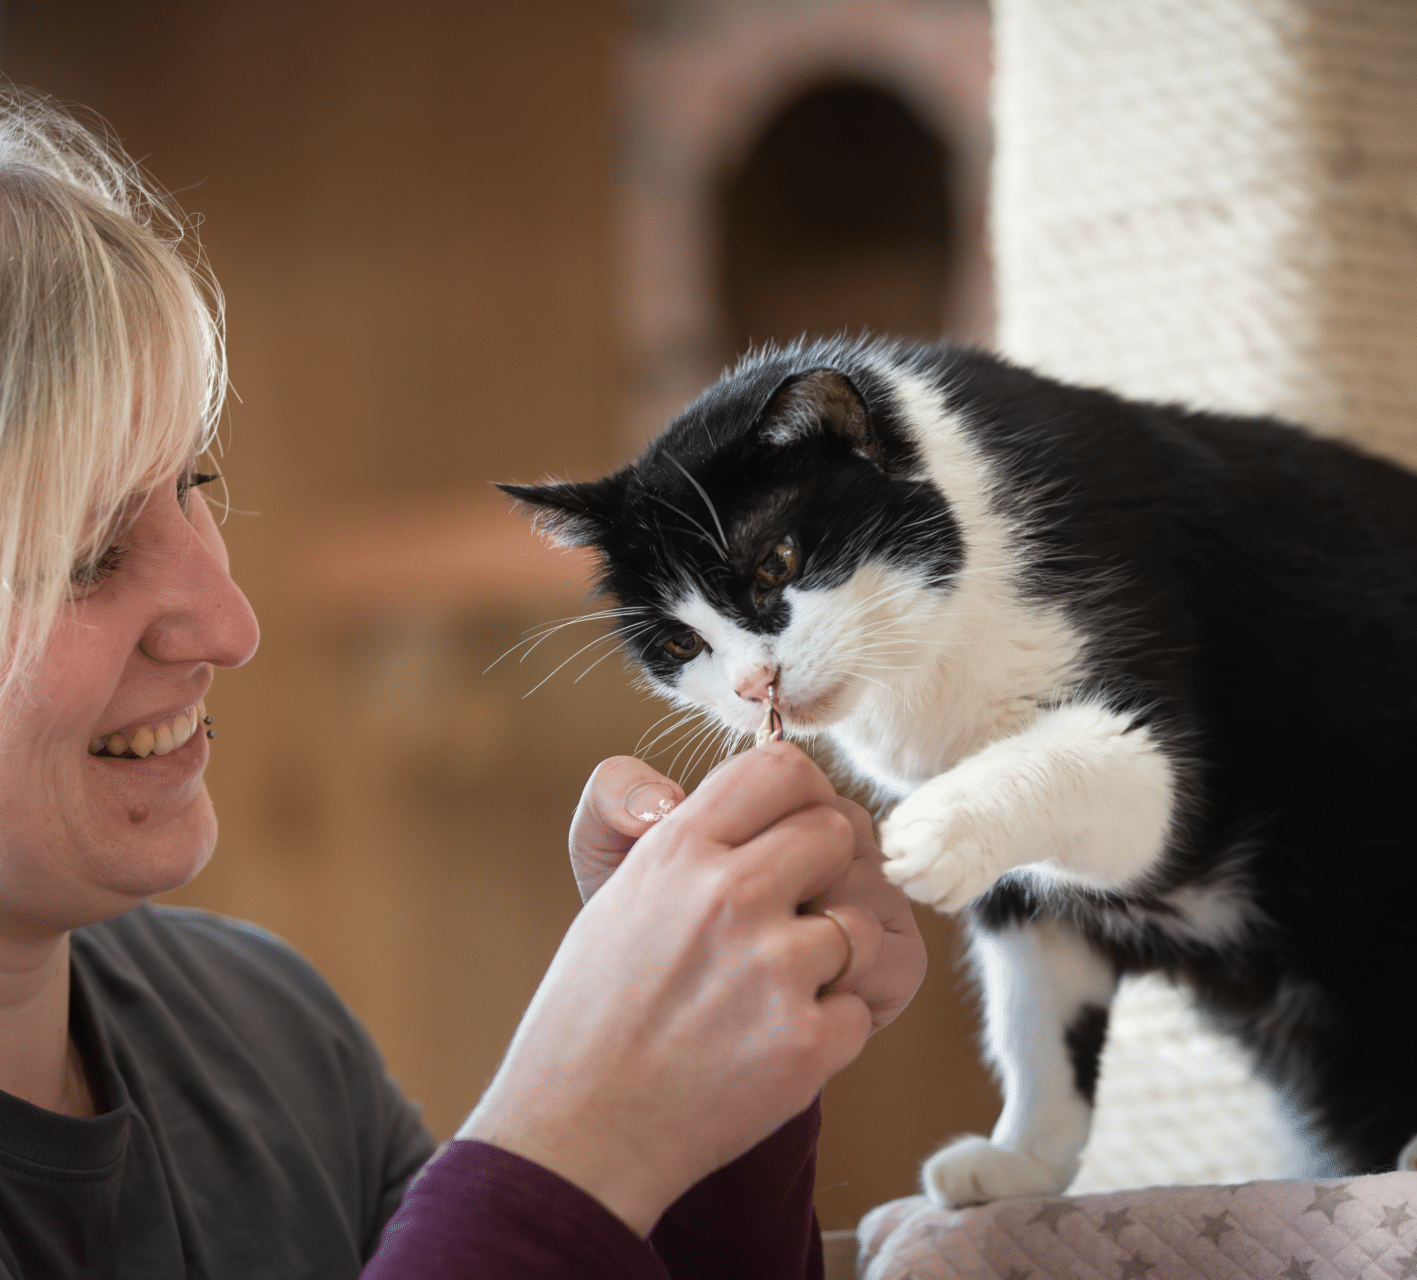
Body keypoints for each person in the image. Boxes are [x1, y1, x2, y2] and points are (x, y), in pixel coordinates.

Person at [0, 87, 926, 1279]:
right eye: (86, 555)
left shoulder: (271, 1039)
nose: (230, 624)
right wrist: (569, 1142)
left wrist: (711, 1111)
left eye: (198, 484)